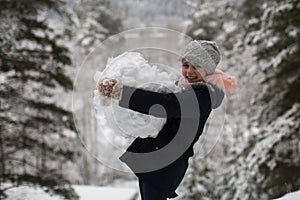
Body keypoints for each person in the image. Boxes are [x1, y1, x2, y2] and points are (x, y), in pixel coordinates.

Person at [98, 40, 236, 200]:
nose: (189, 71)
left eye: (197, 67)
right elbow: (162, 95)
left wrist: (122, 93)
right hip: (158, 160)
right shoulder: (188, 87)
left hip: (165, 165)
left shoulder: (203, 97)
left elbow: (165, 103)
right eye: (186, 65)